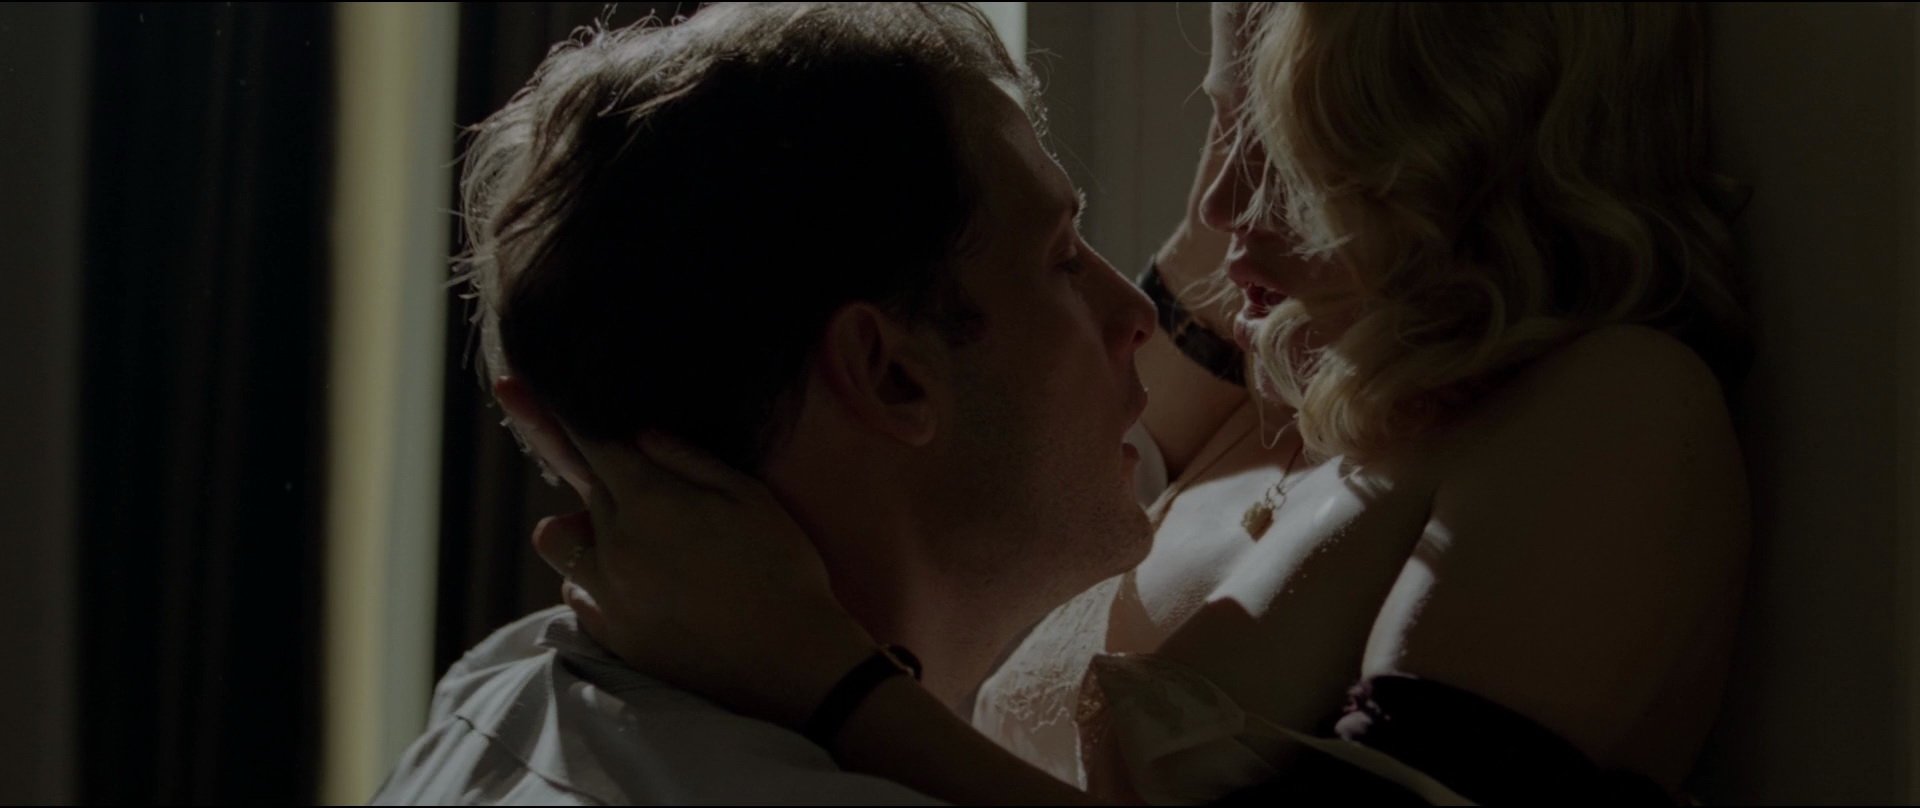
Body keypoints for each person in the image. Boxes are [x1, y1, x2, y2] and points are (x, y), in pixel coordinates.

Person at [536, 2, 1753, 804]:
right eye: (1221, 119)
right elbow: (1060, 364)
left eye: (1284, 143)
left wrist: (834, 687)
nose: (1219, 201)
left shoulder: (1616, 413)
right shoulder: (1264, 381)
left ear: (1458, 142)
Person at [372, 3, 1161, 803]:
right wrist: (849, 695)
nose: (1139, 315)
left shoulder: (495, 702)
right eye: (1063, 258)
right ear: (890, 375)